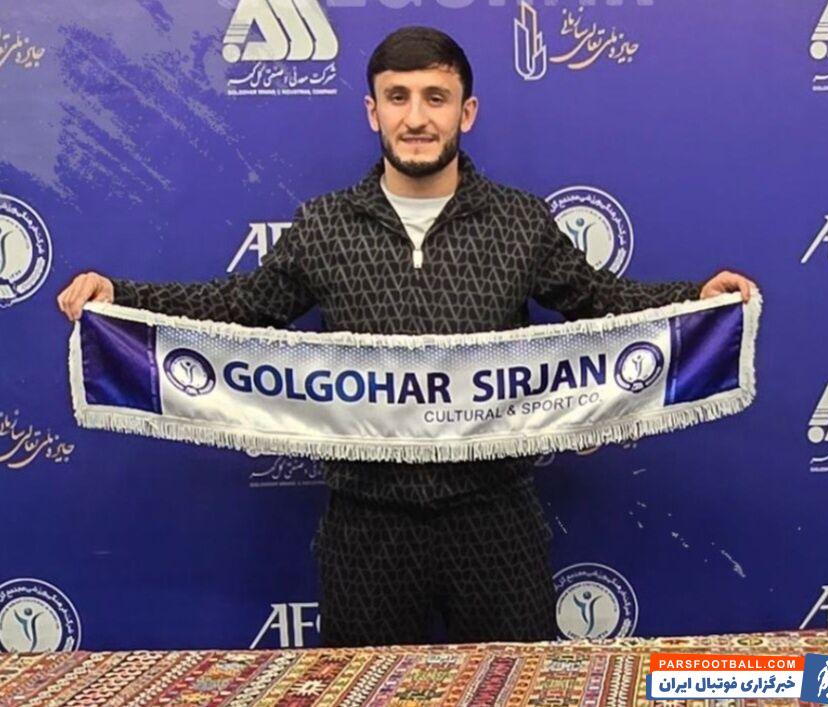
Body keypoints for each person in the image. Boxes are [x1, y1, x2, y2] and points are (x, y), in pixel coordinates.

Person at [57, 26, 755, 647]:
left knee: (518, 689)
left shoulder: (520, 222)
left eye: (435, 97)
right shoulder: (325, 225)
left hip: (496, 518)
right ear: (373, 111)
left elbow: (600, 303)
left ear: (466, 112)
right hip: (366, 523)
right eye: (398, 97)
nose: (416, 118)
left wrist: (697, 300)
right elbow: (240, 308)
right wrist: (123, 298)